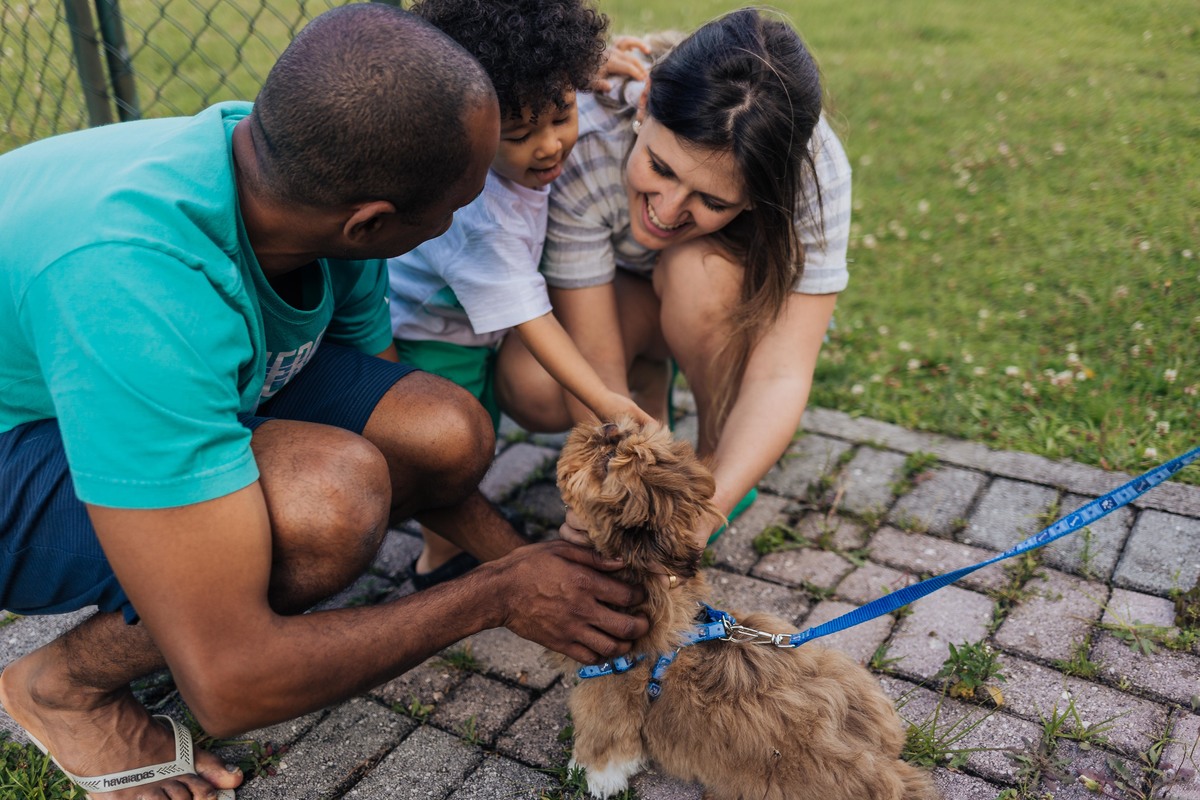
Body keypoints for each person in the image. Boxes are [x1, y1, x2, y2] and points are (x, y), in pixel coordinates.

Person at [0, 5, 648, 799]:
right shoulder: (136, 286)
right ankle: (62, 687)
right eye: (455, 207)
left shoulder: (303, 167)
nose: (461, 219)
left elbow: (400, 439)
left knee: (441, 428)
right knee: (328, 505)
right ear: (371, 224)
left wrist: (543, 569)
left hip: (116, 371)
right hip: (18, 434)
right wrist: (500, 595)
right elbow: (232, 684)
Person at [496, 8, 853, 547]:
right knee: (534, 385)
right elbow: (596, 364)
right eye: (660, 168)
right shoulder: (585, 140)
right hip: (627, 296)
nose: (665, 211)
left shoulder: (814, 172)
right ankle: (653, 411)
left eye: (712, 200)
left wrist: (699, 519)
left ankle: (716, 462)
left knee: (698, 270)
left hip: (721, 305)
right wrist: (620, 497)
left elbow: (781, 374)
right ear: (645, 104)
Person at [388, 0, 654, 588]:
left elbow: (549, 82)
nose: (550, 145)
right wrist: (604, 399)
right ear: (470, 128)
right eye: (519, 135)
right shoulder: (480, 214)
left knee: (476, 432)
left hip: (479, 320)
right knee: (453, 448)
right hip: (430, 334)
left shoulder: (531, 94)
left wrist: (590, 67)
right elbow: (533, 318)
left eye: (563, 115)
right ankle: (442, 558)